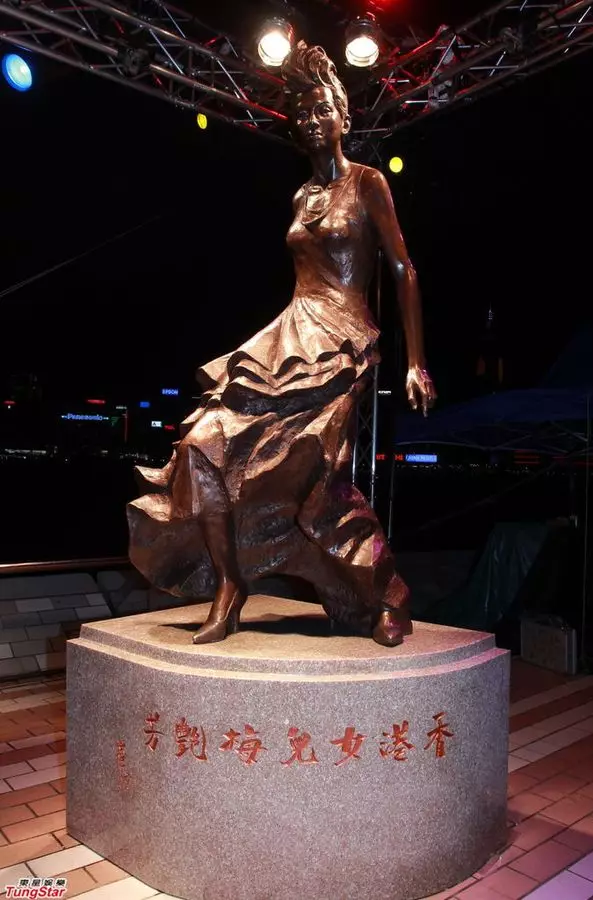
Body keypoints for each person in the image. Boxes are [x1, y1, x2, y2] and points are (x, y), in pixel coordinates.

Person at [127, 41, 436, 647]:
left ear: (343, 117)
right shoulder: (300, 196)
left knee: (320, 478)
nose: (312, 120)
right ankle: (229, 586)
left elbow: (404, 270)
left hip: (344, 342)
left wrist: (416, 362)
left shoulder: (368, 182)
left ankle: (384, 596)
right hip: (290, 336)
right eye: (303, 113)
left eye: (323, 109)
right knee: (202, 446)